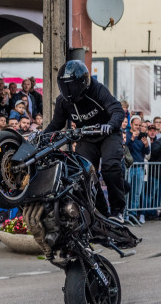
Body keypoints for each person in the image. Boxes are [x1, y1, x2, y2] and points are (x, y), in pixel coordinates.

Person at [43, 60, 127, 222]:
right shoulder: (63, 101)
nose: (69, 90)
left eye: (72, 86)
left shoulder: (97, 90)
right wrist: (43, 136)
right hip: (87, 137)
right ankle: (101, 211)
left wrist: (110, 125)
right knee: (83, 174)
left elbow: (117, 109)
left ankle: (117, 211)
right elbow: (56, 124)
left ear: (82, 82)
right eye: (65, 86)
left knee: (110, 166)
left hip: (108, 134)